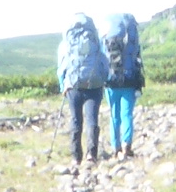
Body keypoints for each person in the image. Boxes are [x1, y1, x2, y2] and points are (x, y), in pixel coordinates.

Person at [55, 14, 107, 165]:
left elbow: (61, 68)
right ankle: (91, 154)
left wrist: (63, 86)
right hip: (94, 86)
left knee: (76, 120)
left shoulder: (66, 44)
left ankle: (76, 157)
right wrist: (103, 80)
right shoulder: (96, 41)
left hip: (73, 86)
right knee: (92, 119)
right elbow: (104, 63)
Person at [102, 11, 144, 157]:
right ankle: (127, 145)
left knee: (114, 116)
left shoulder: (106, 35)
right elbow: (137, 56)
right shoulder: (132, 36)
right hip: (129, 80)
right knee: (127, 115)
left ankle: (116, 147)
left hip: (111, 81)